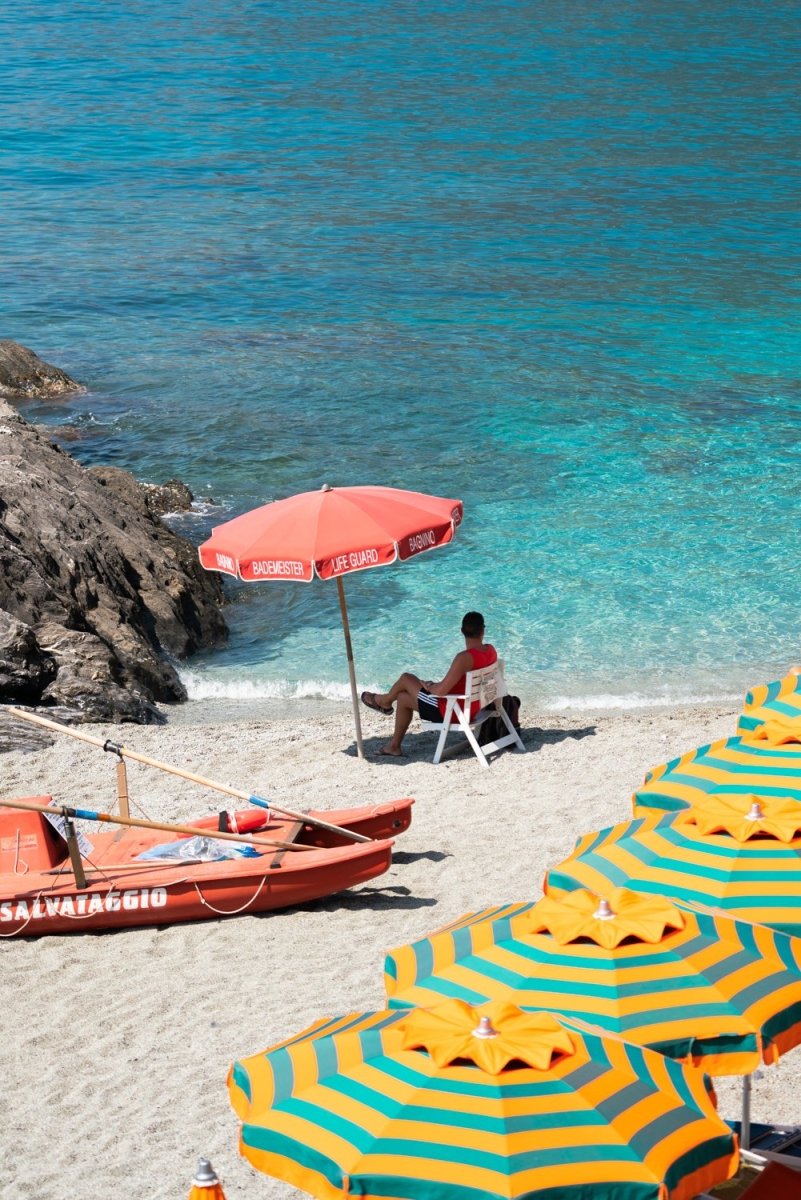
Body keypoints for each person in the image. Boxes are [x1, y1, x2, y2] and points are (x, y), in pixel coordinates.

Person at [360, 611, 497, 757]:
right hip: (475, 708)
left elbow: (441, 692)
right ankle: (394, 746)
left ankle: (384, 701)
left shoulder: (464, 658)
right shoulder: (490, 650)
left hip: (452, 711)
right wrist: (434, 685)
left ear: (462, 631)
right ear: (483, 629)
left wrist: (430, 686)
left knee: (406, 678)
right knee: (402, 697)